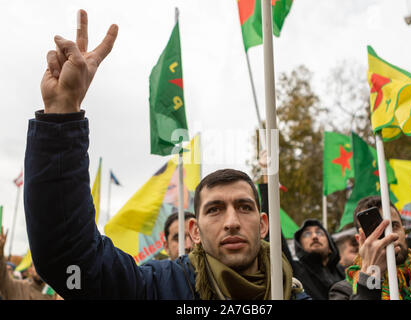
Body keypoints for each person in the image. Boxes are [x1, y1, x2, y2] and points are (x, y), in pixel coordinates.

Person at [23, 10, 309, 300]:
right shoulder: (157, 288)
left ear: (263, 225)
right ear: (194, 231)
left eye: (244, 207)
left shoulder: (295, 294)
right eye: (215, 209)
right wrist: (62, 113)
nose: (232, 221)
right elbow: (70, 260)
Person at [329, 186, 411, 300]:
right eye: (377, 230)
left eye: (394, 226)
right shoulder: (344, 291)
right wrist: (370, 277)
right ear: (360, 241)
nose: (389, 236)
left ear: (403, 230)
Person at [291, 219, 345, 300]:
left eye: (319, 233)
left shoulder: (343, 273)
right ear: (300, 246)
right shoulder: (294, 269)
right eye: (307, 234)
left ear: (330, 247)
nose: (314, 236)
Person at [0, 227, 54, 300]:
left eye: (44, 265)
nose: (41, 268)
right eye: (36, 265)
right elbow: (3, 280)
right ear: (30, 270)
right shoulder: (18, 287)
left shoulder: (52, 295)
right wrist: (0, 255)